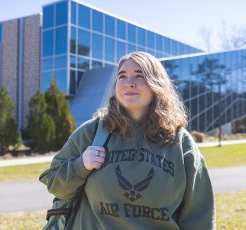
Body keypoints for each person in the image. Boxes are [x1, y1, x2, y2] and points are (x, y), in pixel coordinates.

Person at [39, 51, 215, 229]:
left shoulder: (180, 142)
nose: (129, 83)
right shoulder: (92, 132)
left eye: (140, 76)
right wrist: (81, 165)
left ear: (157, 84)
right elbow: (55, 185)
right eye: (122, 76)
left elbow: (199, 213)